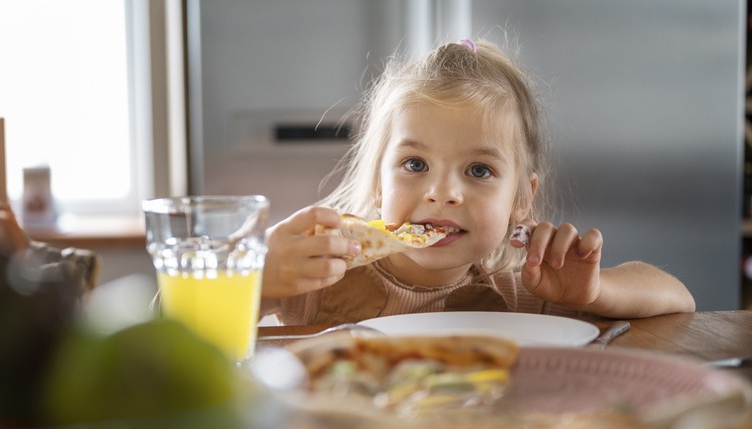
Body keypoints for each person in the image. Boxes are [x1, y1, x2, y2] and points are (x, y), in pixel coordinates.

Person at [259, 38, 695, 326]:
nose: (443, 193)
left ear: (522, 199)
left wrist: (596, 292)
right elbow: (195, 328)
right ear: (377, 185)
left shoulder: (527, 290)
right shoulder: (321, 274)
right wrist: (259, 279)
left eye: (479, 171)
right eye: (414, 164)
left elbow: (679, 299)